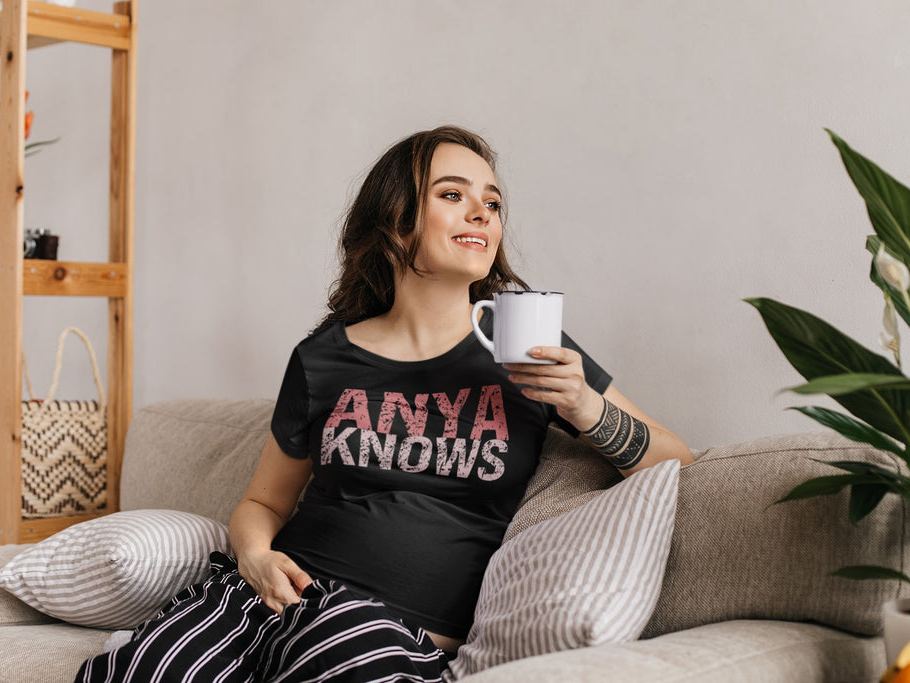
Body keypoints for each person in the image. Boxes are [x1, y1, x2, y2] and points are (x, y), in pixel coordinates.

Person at [76, 125, 693, 682]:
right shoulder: (324, 358)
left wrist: (586, 407)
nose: (482, 210)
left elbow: (677, 461)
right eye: (453, 195)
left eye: (494, 202)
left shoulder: (528, 346)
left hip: (383, 633)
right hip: (262, 601)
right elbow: (264, 500)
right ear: (396, 221)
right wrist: (257, 556)